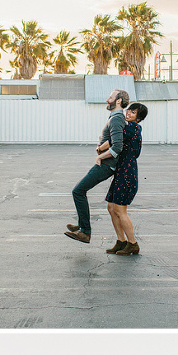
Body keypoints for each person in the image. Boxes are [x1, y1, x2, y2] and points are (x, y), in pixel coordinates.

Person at [65, 89, 129, 245]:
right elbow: (113, 140)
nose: (107, 100)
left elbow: (118, 147)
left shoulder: (116, 119)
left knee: (78, 191)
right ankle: (81, 225)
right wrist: (101, 147)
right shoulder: (115, 118)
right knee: (79, 190)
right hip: (106, 162)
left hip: (107, 165)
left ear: (118, 101)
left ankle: (85, 232)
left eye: (110, 97)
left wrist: (100, 156)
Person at [104, 103, 148, 255]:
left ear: (139, 117)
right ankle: (121, 241)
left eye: (133, 112)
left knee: (120, 210)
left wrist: (99, 149)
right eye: (129, 110)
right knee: (111, 207)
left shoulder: (132, 128)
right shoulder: (129, 127)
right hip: (121, 170)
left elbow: (112, 142)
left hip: (127, 172)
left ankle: (133, 244)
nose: (128, 113)